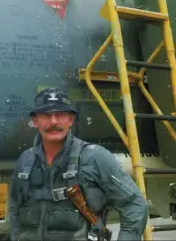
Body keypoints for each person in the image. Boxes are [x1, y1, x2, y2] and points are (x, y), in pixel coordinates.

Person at [8, 87, 149, 241]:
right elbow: (14, 210)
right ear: (35, 121)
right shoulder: (25, 161)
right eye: (46, 115)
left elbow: (134, 205)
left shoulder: (94, 158)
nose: (53, 121)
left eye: (60, 115)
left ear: (71, 120)